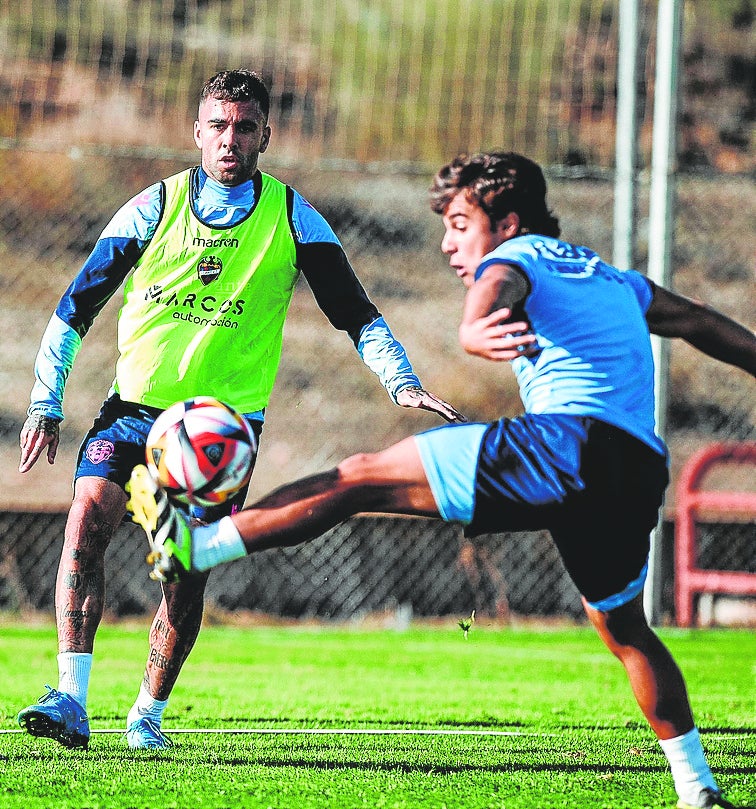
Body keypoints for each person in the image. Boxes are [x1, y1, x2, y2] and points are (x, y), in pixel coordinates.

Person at [128, 151, 755, 808]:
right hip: (634, 472)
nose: (450, 242)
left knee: (360, 479)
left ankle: (197, 547)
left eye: (460, 222)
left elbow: (493, 292)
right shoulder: (612, 277)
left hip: (565, 443)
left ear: (507, 220)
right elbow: (701, 320)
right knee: (624, 628)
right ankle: (697, 787)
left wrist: (477, 326)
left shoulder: (515, 257)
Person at [16, 69, 463, 752]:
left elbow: (356, 313)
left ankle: (147, 716)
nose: (230, 139)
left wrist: (399, 379)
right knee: (87, 517)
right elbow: (76, 306)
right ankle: (70, 697)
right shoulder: (152, 206)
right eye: (218, 126)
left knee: (182, 567)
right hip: (132, 410)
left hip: (220, 432)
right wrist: (46, 398)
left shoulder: (290, 216)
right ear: (197, 132)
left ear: (265, 135)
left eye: (244, 127)